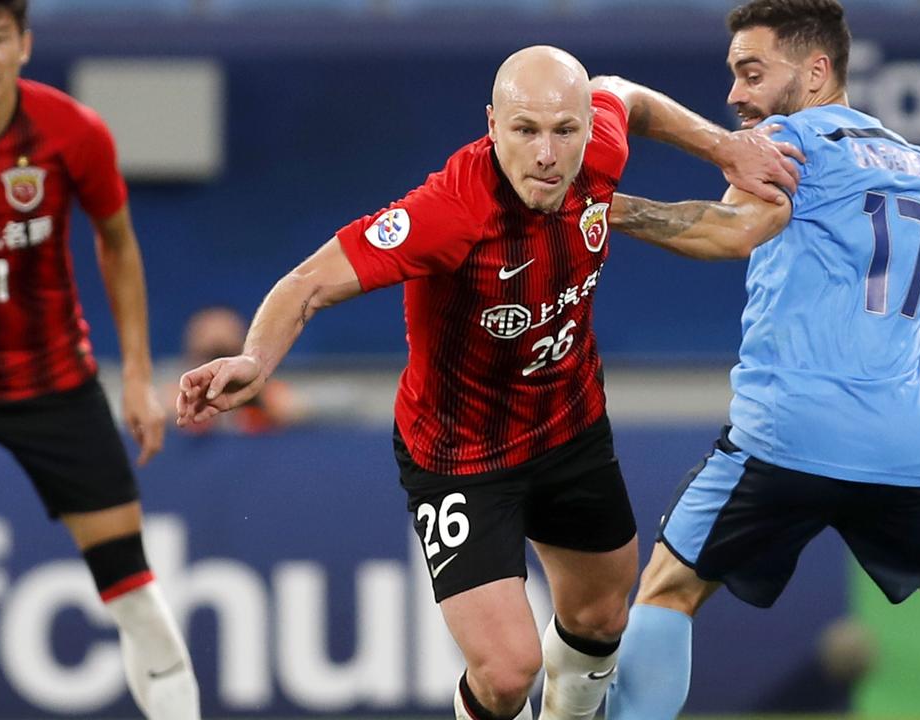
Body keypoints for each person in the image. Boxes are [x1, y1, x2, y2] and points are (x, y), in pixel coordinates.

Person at [176, 45, 799, 720]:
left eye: (565, 130)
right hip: (460, 458)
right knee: (506, 673)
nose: (547, 153)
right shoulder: (448, 212)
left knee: (599, 615)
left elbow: (625, 94)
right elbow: (307, 285)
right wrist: (254, 362)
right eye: (525, 130)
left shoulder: (597, 155)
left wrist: (724, 150)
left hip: (569, 427)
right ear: (492, 125)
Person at [601, 2, 920, 718]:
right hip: (898, 447)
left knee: (669, 588)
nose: (736, 94)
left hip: (785, 437)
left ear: (817, 71)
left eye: (752, 72)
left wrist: (601, 206)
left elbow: (726, 234)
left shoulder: (787, 142)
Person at [0, 2, 199, 718]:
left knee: (133, 592)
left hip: (56, 386)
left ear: (24, 46)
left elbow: (118, 243)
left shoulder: (73, 131)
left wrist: (136, 378)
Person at [172, 306, 305, 434]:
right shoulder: (175, 399)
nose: (216, 370)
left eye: (226, 354)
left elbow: (296, 413)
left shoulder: (271, 395)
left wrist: (259, 398)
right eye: (209, 355)